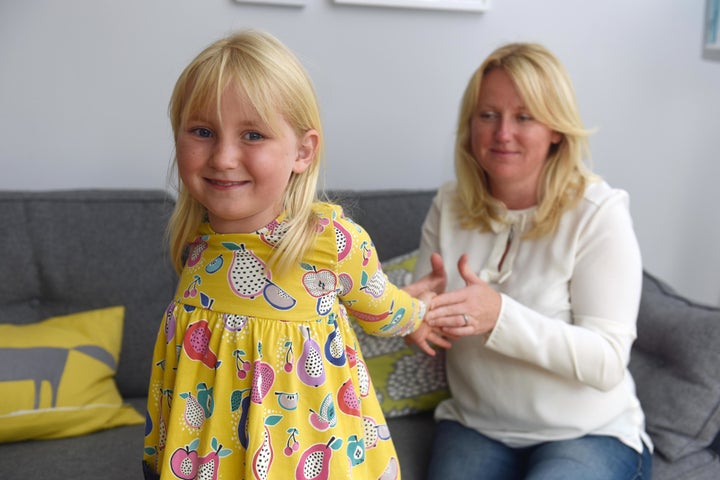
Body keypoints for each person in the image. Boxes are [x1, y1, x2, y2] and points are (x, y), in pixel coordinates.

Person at [142, 30, 447, 480]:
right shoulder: (196, 239)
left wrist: (417, 314)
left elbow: (379, 305)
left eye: (252, 134)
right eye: (202, 132)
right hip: (207, 457)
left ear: (302, 152)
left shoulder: (330, 241)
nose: (223, 157)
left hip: (307, 453)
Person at [412, 42, 653, 479]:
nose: (503, 133)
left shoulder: (599, 214)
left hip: (588, 432)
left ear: (556, 130)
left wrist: (500, 315)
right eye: (488, 115)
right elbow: (423, 315)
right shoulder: (449, 204)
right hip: (475, 424)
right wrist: (410, 318)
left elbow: (606, 362)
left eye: (524, 117)